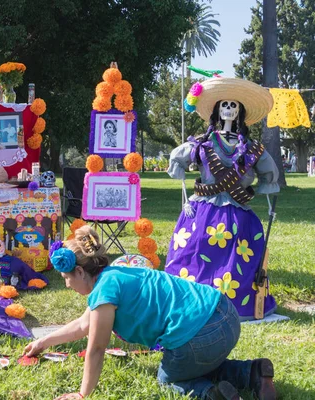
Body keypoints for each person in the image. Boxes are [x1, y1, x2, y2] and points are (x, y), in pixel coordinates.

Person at [24, 226, 276, 400]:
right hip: (226, 315)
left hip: (200, 337)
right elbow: (83, 324)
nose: (67, 284)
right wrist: (43, 342)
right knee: (193, 364)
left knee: (169, 379)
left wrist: (83, 394)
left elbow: (96, 348)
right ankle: (254, 372)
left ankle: (212, 394)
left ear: (80, 272)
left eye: (66, 278)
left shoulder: (104, 291)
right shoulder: (118, 273)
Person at [166, 78, 279, 321]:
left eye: (234, 105)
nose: (229, 109)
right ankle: (190, 301)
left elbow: (268, 172)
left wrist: (268, 194)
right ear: (218, 110)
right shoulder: (202, 143)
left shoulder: (251, 148)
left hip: (238, 212)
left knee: (238, 257)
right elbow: (178, 158)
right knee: (194, 252)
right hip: (203, 210)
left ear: (240, 112)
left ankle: (235, 306)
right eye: (225, 105)